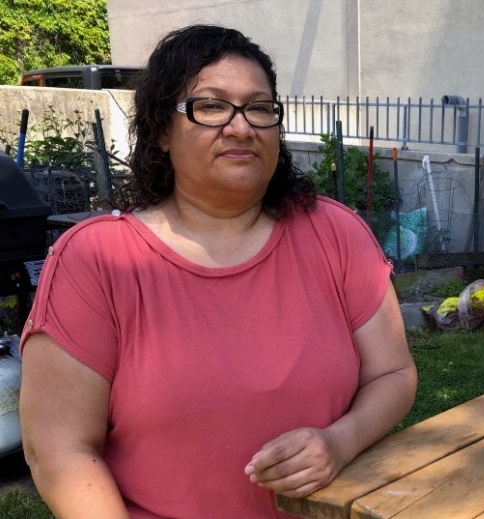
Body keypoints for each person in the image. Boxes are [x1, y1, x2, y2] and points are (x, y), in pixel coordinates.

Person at [19, 24, 417, 519]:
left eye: (259, 107)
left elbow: (394, 372)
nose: (241, 126)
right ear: (162, 130)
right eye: (210, 106)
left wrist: (340, 441)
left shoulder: (335, 233)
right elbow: (60, 450)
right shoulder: (96, 260)